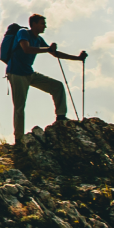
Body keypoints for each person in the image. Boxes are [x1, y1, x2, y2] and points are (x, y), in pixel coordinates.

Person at [7, 14, 85, 143]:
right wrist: (48, 49)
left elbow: (55, 53)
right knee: (19, 107)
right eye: (42, 23)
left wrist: (78, 58)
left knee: (57, 86)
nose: (45, 26)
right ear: (34, 24)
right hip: (16, 73)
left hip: (29, 73)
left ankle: (61, 116)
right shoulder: (23, 33)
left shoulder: (38, 39)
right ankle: (19, 139)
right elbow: (26, 49)